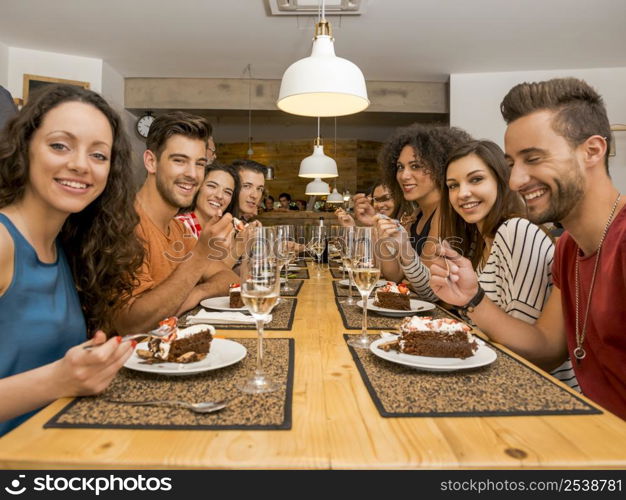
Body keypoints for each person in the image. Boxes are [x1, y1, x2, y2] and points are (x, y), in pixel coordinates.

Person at [430, 78, 625, 418]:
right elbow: (547, 349)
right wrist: (472, 299)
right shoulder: (567, 248)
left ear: (593, 151)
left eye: (533, 159)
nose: (517, 181)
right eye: (511, 165)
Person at [0, 85, 142, 436]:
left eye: (98, 155)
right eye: (59, 145)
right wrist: (59, 379)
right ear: (25, 149)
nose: (80, 165)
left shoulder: (67, 246)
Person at [397, 139, 577, 388]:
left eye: (476, 179)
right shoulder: (479, 244)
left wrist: (471, 300)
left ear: (502, 182)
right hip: (494, 378)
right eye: (453, 185)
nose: (463, 193)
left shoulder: (516, 231)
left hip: (536, 390)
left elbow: (525, 351)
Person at [113, 112, 238, 334]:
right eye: (179, 160)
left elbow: (230, 279)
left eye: (200, 164)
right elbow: (131, 324)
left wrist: (195, 294)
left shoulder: (178, 228)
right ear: (151, 161)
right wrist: (200, 256)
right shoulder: (123, 223)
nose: (192, 174)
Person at [353, 125, 472, 282]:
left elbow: (428, 285)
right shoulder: (417, 214)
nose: (404, 175)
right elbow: (395, 275)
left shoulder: (446, 211)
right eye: (400, 167)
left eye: (415, 166)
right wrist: (376, 224)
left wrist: (403, 250)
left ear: (440, 167)